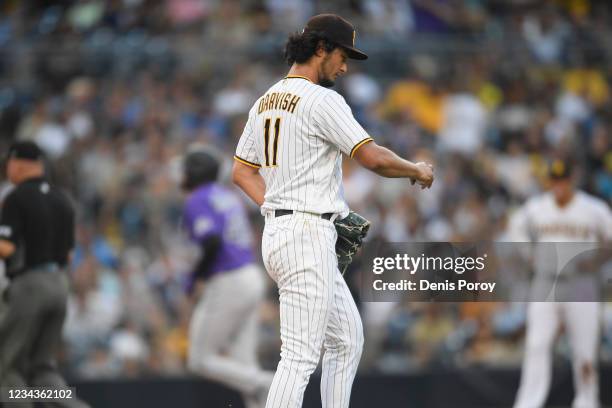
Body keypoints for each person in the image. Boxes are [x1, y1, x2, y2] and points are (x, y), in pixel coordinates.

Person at [232, 14, 434, 408]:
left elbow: (242, 171)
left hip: (287, 233)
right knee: (299, 357)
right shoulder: (323, 100)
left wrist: (277, 208)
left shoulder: (265, 101)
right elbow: (372, 158)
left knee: (347, 338)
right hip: (305, 235)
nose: (344, 67)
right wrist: (416, 169)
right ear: (321, 48)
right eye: (342, 56)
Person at [510, 159, 611, 408]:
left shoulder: (592, 208)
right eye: (554, 180)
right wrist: (529, 254)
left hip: (581, 282)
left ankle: (587, 402)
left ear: (571, 180)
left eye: (562, 180)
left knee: (585, 349)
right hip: (546, 282)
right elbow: (515, 229)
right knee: (536, 345)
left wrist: (598, 260)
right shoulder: (537, 207)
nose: (558, 185)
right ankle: (528, 403)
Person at [181, 148, 274, 408]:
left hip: (229, 279)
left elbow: (211, 241)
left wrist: (193, 279)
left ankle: (265, 381)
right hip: (250, 276)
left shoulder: (199, 198)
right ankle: (261, 389)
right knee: (242, 363)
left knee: (199, 359)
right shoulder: (227, 196)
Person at [0, 141, 89, 408]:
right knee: (42, 370)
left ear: (17, 163)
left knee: (6, 367)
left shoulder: (16, 198)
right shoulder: (62, 199)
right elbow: (70, 255)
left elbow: (7, 247)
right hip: (59, 285)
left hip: (30, 285)